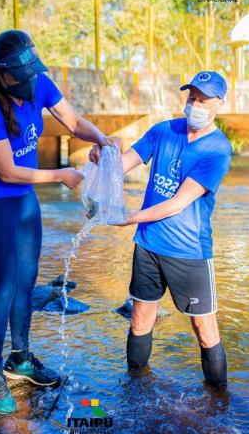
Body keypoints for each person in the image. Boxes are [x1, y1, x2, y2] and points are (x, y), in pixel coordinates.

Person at [0, 29, 121, 415]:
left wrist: (101, 139)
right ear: (0, 74)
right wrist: (61, 175)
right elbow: (6, 172)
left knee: (27, 279)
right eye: (20, 79)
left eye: (32, 75)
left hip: (23, 202)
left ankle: (20, 359)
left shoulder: (39, 82)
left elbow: (74, 121)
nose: (29, 85)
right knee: (2, 284)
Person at [90, 71, 232, 387]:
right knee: (140, 320)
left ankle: (218, 403)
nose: (195, 104)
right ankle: (136, 388)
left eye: (203, 99)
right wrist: (103, 155)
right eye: (191, 97)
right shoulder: (163, 131)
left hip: (190, 252)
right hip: (149, 244)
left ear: (219, 104)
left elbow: (178, 203)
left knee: (204, 329)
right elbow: (119, 167)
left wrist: (125, 217)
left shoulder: (218, 149)